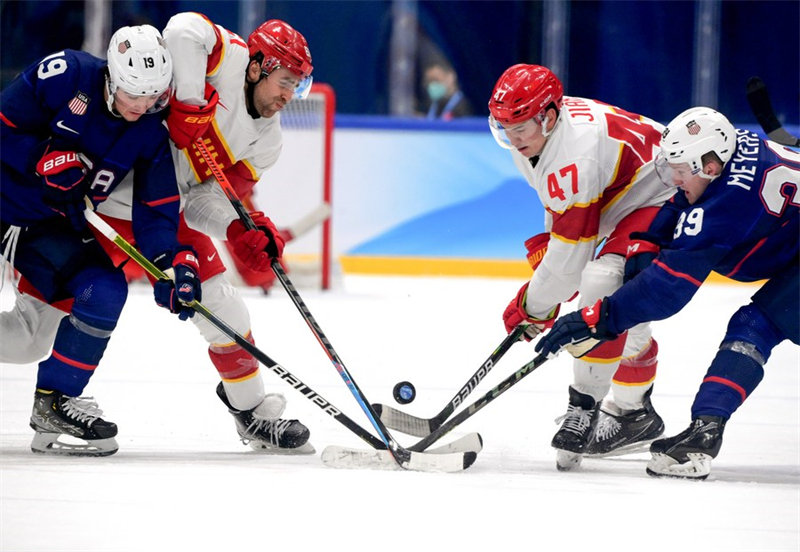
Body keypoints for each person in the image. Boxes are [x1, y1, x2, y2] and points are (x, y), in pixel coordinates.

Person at [0, 13, 316, 454]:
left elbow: (207, 201)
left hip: (158, 211)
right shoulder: (225, 56)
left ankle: (253, 413)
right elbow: (183, 29)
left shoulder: (267, 142)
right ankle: (57, 397)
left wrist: (236, 228)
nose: (289, 95)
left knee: (222, 306)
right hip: (86, 205)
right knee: (35, 334)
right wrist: (187, 103)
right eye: (285, 80)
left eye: (297, 86)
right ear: (258, 65)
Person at [535, 107, 799, 479]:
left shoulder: (729, 202)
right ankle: (703, 429)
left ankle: (704, 435)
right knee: (757, 323)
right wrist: (647, 243)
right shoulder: (729, 151)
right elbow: (681, 204)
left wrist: (598, 317)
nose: (674, 180)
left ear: (708, 165)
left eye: (680, 171)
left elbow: (667, 291)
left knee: (757, 326)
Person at [0, 25, 200, 456]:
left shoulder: (150, 129)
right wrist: (40, 159)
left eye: (154, 97)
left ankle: (54, 401)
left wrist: (172, 262)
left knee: (105, 289)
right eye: (134, 95)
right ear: (111, 75)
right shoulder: (66, 74)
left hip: (44, 228)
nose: (143, 105)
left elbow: (157, 209)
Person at [488, 64, 675, 470]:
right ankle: (633, 413)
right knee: (623, 317)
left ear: (549, 116)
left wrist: (534, 305)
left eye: (519, 128)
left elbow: (571, 266)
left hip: (667, 196)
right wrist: (548, 281)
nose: (511, 138)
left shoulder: (574, 152)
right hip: (629, 197)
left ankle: (585, 406)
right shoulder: (541, 134)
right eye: (502, 127)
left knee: (602, 283)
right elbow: (566, 215)